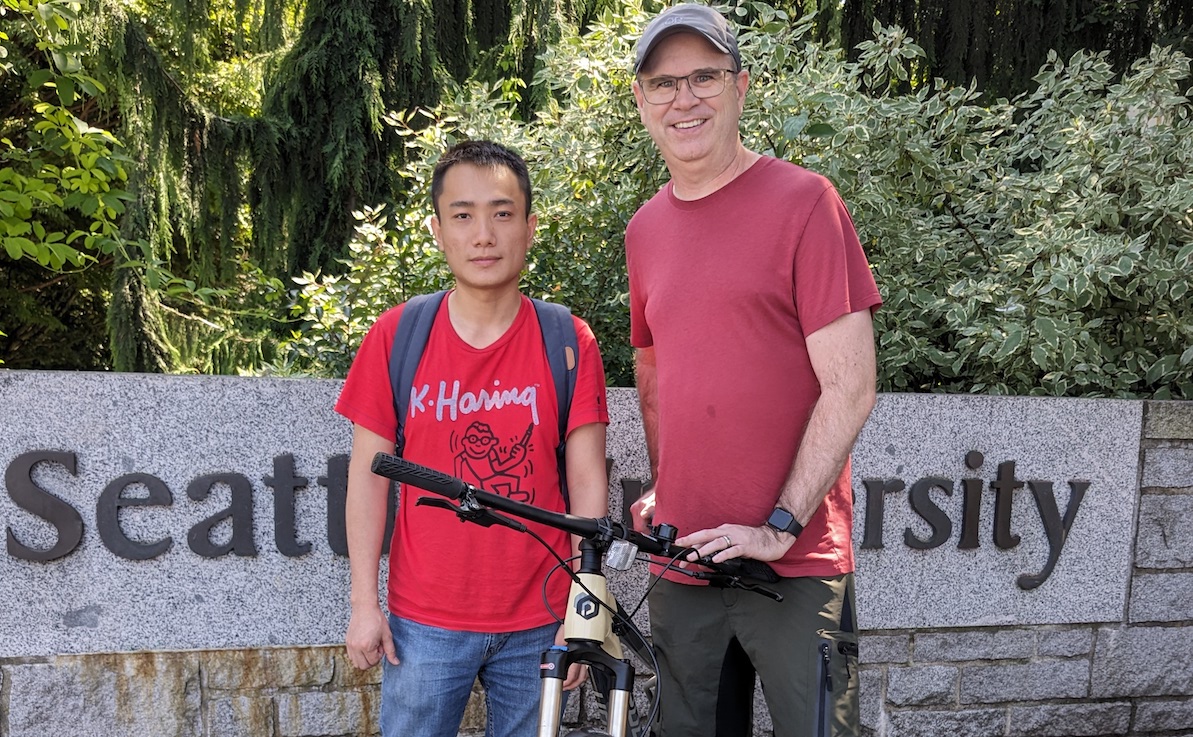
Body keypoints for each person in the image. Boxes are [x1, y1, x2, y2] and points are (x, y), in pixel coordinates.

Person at [624, 5, 882, 737]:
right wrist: (662, 487)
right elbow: (655, 379)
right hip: (685, 562)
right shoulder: (643, 230)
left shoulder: (805, 203)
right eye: (663, 83)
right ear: (641, 101)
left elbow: (851, 384)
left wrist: (778, 524)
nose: (685, 98)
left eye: (704, 76)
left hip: (795, 564)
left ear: (741, 85)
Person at [337, 140, 610, 737]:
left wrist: (581, 608)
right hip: (422, 624)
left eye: (502, 213)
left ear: (530, 227)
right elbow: (366, 476)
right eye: (463, 215)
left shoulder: (568, 339)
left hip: (540, 618)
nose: (483, 234)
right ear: (438, 230)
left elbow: (589, 479)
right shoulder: (399, 334)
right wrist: (364, 604)